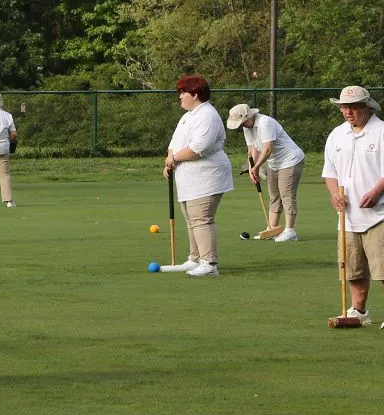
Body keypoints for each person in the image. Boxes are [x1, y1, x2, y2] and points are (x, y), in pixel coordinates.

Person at [321, 86, 384, 326]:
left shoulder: (381, 132)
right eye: (344, 107)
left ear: (367, 106)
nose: (348, 111)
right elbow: (330, 172)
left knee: (383, 268)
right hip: (347, 217)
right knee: (353, 269)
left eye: (353, 107)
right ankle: (359, 311)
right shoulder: (337, 135)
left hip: (379, 214)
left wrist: (377, 192)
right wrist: (335, 194)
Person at [161, 75, 234, 276]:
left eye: (183, 92)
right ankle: (195, 259)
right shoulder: (188, 116)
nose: (180, 97)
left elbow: (197, 148)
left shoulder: (207, 115)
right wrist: (170, 159)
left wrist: (174, 158)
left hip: (207, 177)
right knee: (191, 219)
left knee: (202, 219)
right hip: (188, 179)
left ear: (195, 94)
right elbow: (174, 143)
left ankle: (209, 264)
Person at [226, 103, 305, 242]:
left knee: (286, 194)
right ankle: (272, 229)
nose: (241, 126)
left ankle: (290, 231)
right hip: (274, 162)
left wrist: (257, 167)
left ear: (248, 116)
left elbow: (267, 150)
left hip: (290, 159)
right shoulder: (247, 127)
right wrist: (252, 168)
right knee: (274, 196)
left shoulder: (265, 123)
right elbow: (252, 150)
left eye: (242, 122)